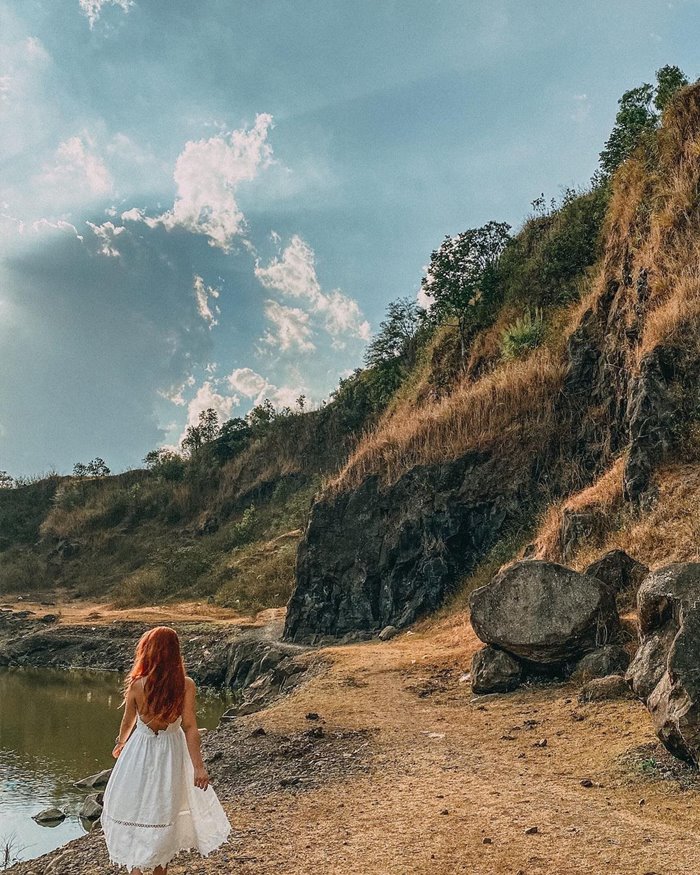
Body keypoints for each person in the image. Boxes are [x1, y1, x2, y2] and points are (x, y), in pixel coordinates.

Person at [102, 626, 231, 873]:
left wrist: (120, 743)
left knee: (136, 808)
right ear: (174, 653)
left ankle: (137, 869)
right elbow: (190, 727)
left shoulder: (138, 685)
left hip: (139, 751)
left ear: (148, 651)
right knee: (164, 809)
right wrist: (198, 767)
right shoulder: (186, 685)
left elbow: (128, 721)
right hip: (171, 752)